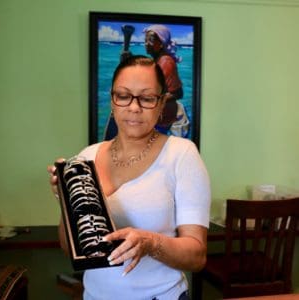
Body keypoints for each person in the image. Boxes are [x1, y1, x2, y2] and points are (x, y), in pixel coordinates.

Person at [48, 55, 210, 300]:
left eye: (146, 98)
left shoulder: (182, 154)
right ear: (113, 100)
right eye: (123, 96)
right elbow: (69, 248)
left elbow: (197, 256)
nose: (134, 107)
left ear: (161, 102)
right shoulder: (86, 156)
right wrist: (65, 202)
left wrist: (150, 242)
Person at [104, 24, 190, 140]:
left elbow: (178, 93)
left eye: (150, 40)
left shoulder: (165, 62)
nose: (146, 43)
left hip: (163, 118)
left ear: (161, 43)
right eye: (145, 40)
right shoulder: (157, 61)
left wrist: (151, 98)